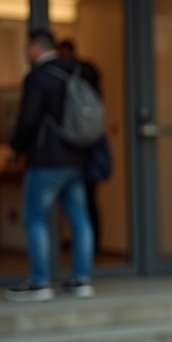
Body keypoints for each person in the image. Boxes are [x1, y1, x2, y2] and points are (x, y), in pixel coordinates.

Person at [6, 28, 96, 302]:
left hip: (46, 160)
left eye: (27, 48)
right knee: (80, 219)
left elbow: (28, 118)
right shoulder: (79, 70)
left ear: (35, 48)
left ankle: (41, 282)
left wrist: (16, 148)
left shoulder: (38, 76)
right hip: (76, 157)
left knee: (35, 217)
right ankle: (81, 281)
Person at [58, 39, 111, 254]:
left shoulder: (77, 75)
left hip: (81, 152)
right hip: (81, 151)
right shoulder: (85, 76)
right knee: (84, 205)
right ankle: (88, 252)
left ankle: (92, 249)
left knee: (86, 204)